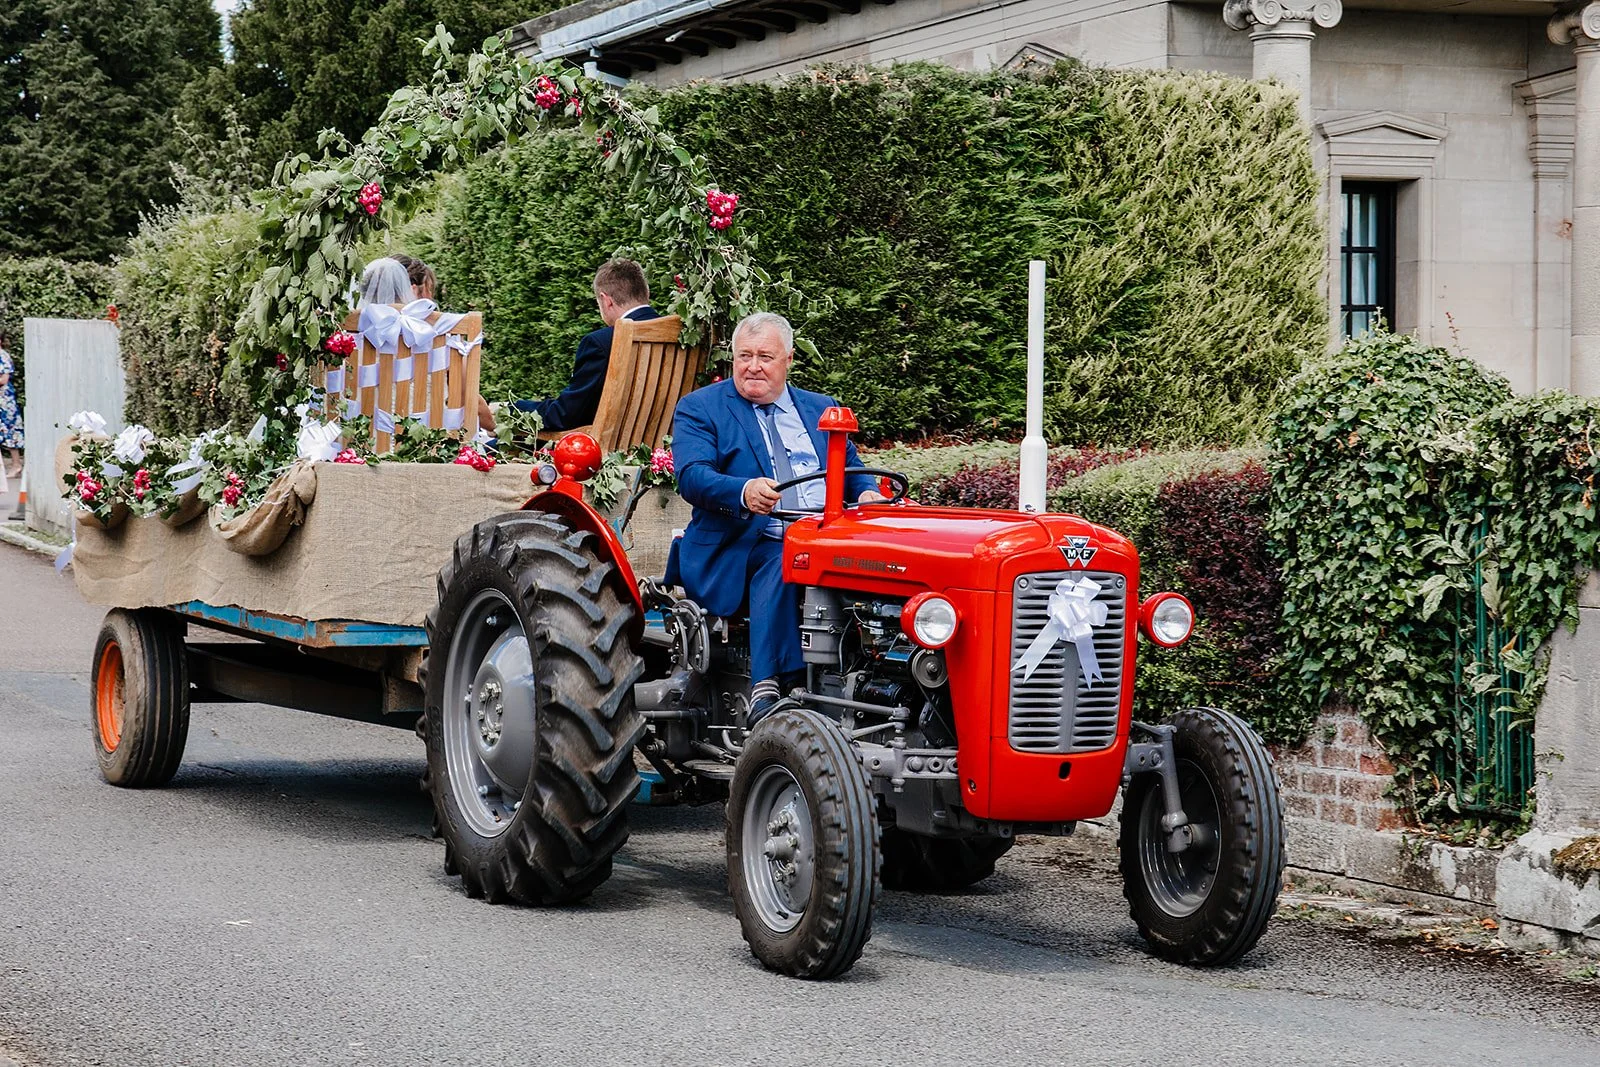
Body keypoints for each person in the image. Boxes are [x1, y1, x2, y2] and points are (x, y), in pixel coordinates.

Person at [671, 312, 884, 723]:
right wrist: (743, 491)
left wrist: (868, 493)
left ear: (788, 359)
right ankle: (767, 685)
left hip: (825, 538)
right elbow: (692, 476)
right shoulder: (701, 408)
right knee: (785, 556)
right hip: (742, 543)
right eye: (743, 356)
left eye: (765, 356)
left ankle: (879, 674)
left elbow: (851, 472)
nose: (752, 366)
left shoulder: (822, 408)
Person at [512, 259, 658, 431]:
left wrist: (514, 409)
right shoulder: (680, 334)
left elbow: (567, 415)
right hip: (666, 451)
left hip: (608, 451)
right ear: (645, 293)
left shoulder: (601, 343)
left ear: (606, 301)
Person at [0, 332, 22, 478]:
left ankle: (16, 464)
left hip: (4, 401)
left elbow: (4, 379)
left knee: (9, 432)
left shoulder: (3, 356)